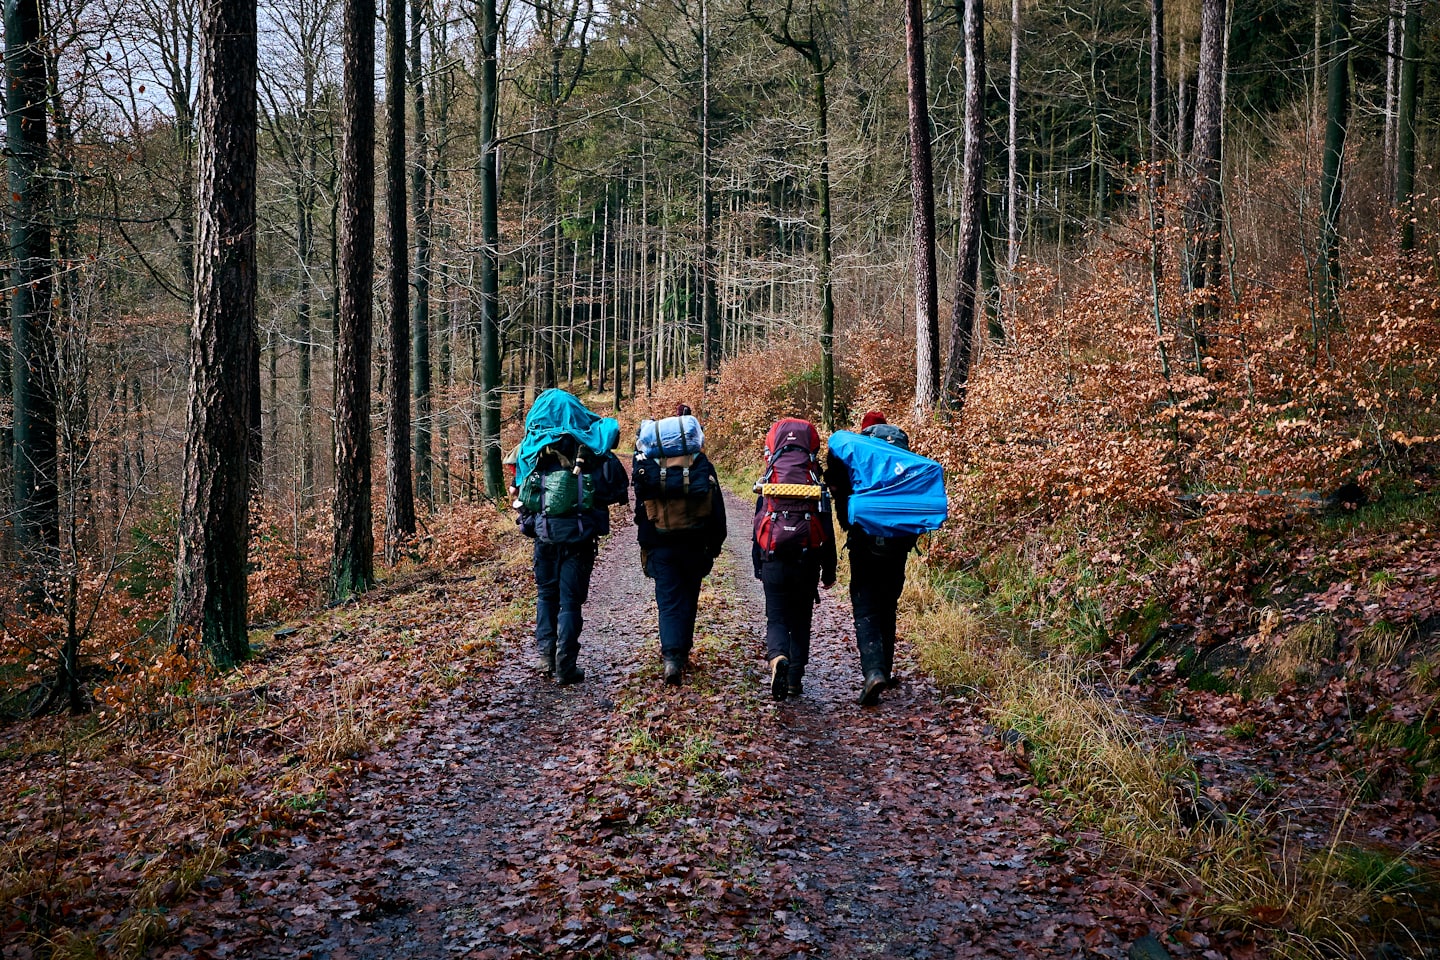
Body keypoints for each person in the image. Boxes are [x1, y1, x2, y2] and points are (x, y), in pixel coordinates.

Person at [512, 389, 629, 685]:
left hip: (545, 535)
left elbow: (520, 494)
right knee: (570, 602)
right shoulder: (590, 445)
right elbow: (615, 489)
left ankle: (546, 656)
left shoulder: (532, 448)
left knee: (546, 594)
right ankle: (566, 664)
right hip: (580, 537)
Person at [824, 411, 919, 705]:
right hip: (898, 544)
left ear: (864, 432)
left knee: (865, 604)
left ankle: (874, 672)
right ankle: (884, 671)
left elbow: (836, 484)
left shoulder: (857, 454)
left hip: (864, 542)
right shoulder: (899, 455)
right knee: (887, 605)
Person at [633, 404, 728, 686]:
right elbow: (717, 509)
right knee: (689, 596)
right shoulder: (700, 464)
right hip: (695, 543)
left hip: (661, 545)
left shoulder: (650, 466)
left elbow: (641, 513)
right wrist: (714, 545)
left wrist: (646, 545)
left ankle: (672, 658)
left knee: (668, 601)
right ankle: (682, 652)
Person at [751, 418, 836, 701]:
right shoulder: (815, 484)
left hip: (773, 557)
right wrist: (829, 570)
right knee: (801, 619)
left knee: (776, 616)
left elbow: (757, 525)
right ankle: (794, 680)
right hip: (806, 559)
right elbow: (827, 531)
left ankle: (778, 658)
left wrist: (758, 564)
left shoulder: (769, 481)